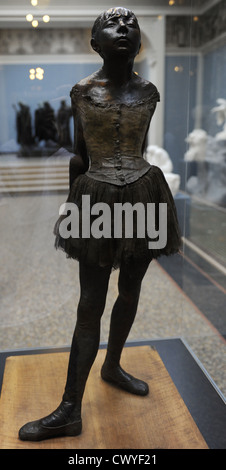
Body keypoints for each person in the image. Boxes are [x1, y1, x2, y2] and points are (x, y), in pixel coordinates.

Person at [19, 7, 181, 442]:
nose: (123, 28)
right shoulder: (83, 91)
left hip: (144, 190)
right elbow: (80, 154)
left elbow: (140, 147)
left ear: (140, 40)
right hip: (96, 191)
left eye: (131, 23)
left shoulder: (149, 91)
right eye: (112, 24)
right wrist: (73, 209)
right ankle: (71, 407)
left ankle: (112, 365)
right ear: (96, 42)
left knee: (130, 287)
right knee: (90, 301)